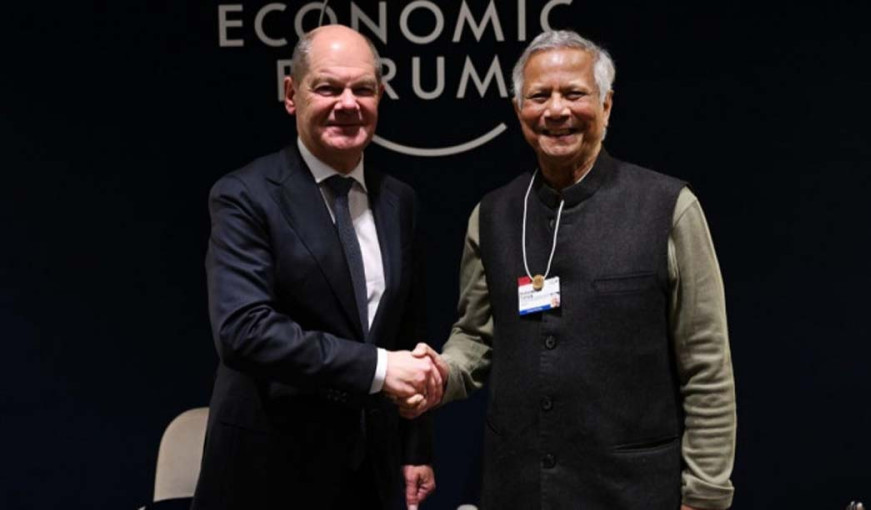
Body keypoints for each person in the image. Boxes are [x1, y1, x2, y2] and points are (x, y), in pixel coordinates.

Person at [410, 30, 737, 509]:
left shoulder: (669, 208)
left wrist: (705, 496)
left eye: (574, 93)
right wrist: (441, 373)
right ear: (519, 109)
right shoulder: (493, 214)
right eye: (539, 95)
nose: (556, 110)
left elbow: (706, 366)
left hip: (633, 493)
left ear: (606, 106)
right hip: (517, 491)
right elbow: (476, 336)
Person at [192, 25, 442, 510]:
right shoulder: (245, 195)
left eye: (363, 89)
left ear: (380, 96)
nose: (347, 103)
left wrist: (416, 449)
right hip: (266, 474)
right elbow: (243, 331)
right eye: (328, 87)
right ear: (292, 94)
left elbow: (407, 330)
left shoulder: (399, 201)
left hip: (370, 474)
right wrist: (378, 368)